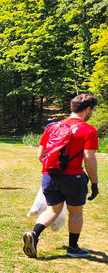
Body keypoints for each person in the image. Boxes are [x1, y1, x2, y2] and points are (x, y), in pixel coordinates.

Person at [23, 93, 99, 258]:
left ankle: (34, 235)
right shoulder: (88, 130)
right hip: (74, 177)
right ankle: (73, 248)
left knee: (53, 209)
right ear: (87, 110)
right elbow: (89, 158)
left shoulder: (52, 127)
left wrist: (52, 171)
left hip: (49, 176)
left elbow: (40, 154)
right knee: (76, 212)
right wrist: (94, 183)